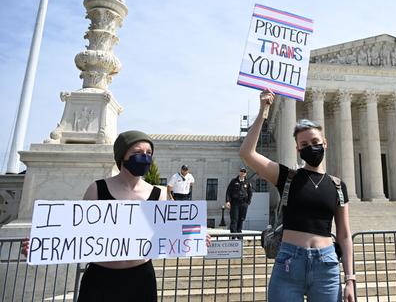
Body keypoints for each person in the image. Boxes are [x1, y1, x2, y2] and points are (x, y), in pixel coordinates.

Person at [21, 130, 210, 302]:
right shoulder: (97, 189)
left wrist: (197, 237)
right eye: (137, 153)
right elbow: (73, 230)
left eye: (148, 153)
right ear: (122, 156)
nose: (144, 157)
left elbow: (173, 231)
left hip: (141, 280)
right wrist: (40, 243)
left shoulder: (159, 195)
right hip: (100, 280)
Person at [239, 90, 356, 302]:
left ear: (325, 143)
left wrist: (350, 279)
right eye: (304, 145)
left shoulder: (338, 185)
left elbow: (345, 235)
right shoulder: (287, 177)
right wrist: (263, 111)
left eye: (315, 142)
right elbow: (247, 153)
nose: (311, 148)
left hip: (327, 264)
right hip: (289, 263)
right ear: (298, 149)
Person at [225, 167, 253, 237]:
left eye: (244, 172)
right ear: (239, 172)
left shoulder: (248, 182)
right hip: (235, 203)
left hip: (243, 203)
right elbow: (228, 191)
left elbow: (250, 193)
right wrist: (228, 201)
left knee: (241, 219)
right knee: (234, 219)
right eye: (241, 171)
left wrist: (248, 202)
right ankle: (233, 235)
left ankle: (239, 233)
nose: (242, 173)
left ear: (245, 173)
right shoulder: (234, 181)